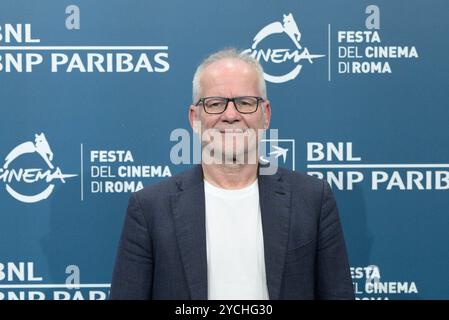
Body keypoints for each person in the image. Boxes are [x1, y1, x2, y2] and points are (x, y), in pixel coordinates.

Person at [110, 48, 354, 300]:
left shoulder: (313, 200)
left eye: (245, 103)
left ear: (265, 115)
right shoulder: (150, 208)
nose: (230, 115)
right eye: (215, 104)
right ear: (195, 118)